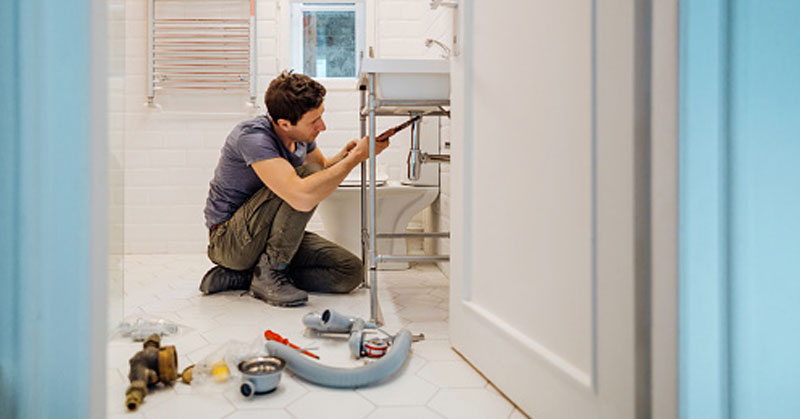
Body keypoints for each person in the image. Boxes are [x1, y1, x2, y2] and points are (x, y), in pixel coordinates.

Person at [199, 71, 390, 307]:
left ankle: (248, 276)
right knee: (305, 178)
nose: (322, 126)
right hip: (229, 241)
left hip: (265, 234)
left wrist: (347, 155)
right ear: (284, 124)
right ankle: (269, 273)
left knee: (349, 271)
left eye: (321, 116)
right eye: (314, 121)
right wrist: (356, 159)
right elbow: (301, 195)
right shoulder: (253, 137)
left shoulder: (301, 135)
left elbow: (322, 169)